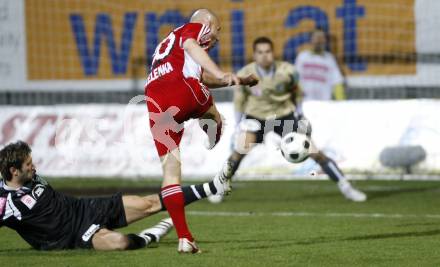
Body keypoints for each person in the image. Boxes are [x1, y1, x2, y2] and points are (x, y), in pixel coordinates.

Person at [144, 8, 258, 253]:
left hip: (155, 100)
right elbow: (191, 46)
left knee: (171, 173)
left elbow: (200, 75)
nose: (217, 38)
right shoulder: (195, 29)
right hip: (181, 89)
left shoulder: (166, 45)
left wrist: (234, 79)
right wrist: (222, 72)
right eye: (218, 30)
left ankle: (185, 239)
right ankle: (212, 128)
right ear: (208, 22)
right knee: (214, 114)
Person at [209, 36, 366, 203]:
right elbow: (239, 101)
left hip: (284, 116)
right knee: (239, 151)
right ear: (254, 55)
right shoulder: (244, 74)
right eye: (260, 52)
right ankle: (220, 186)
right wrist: (238, 125)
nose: (264, 55)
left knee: (315, 152)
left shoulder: (288, 71)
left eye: (268, 51)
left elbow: (297, 94)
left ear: (273, 53)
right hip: (256, 117)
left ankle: (346, 186)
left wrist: (299, 114)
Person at [0, 141, 224, 251]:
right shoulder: (4, 204)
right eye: (29, 164)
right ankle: (150, 236)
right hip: (73, 236)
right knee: (120, 243)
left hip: (86, 208)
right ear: (14, 171)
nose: (34, 167)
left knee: (147, 202)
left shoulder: (29, 176)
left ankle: (213, 186)